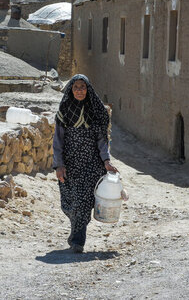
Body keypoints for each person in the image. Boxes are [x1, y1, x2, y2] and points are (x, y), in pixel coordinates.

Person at [52, 74, 118, 253]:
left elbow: (102, 140)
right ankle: (75, 233)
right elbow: (57, 140)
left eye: (83, 87)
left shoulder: (97, 111)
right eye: (76, 87)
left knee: (83, 203)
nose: (80, 90)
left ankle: (77, 241)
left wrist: (106, 161)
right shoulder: (64, 109)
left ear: (88, 89)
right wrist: (59, 165)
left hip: (92, 164)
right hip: (70, 164)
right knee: (70, 203)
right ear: (71, 90)